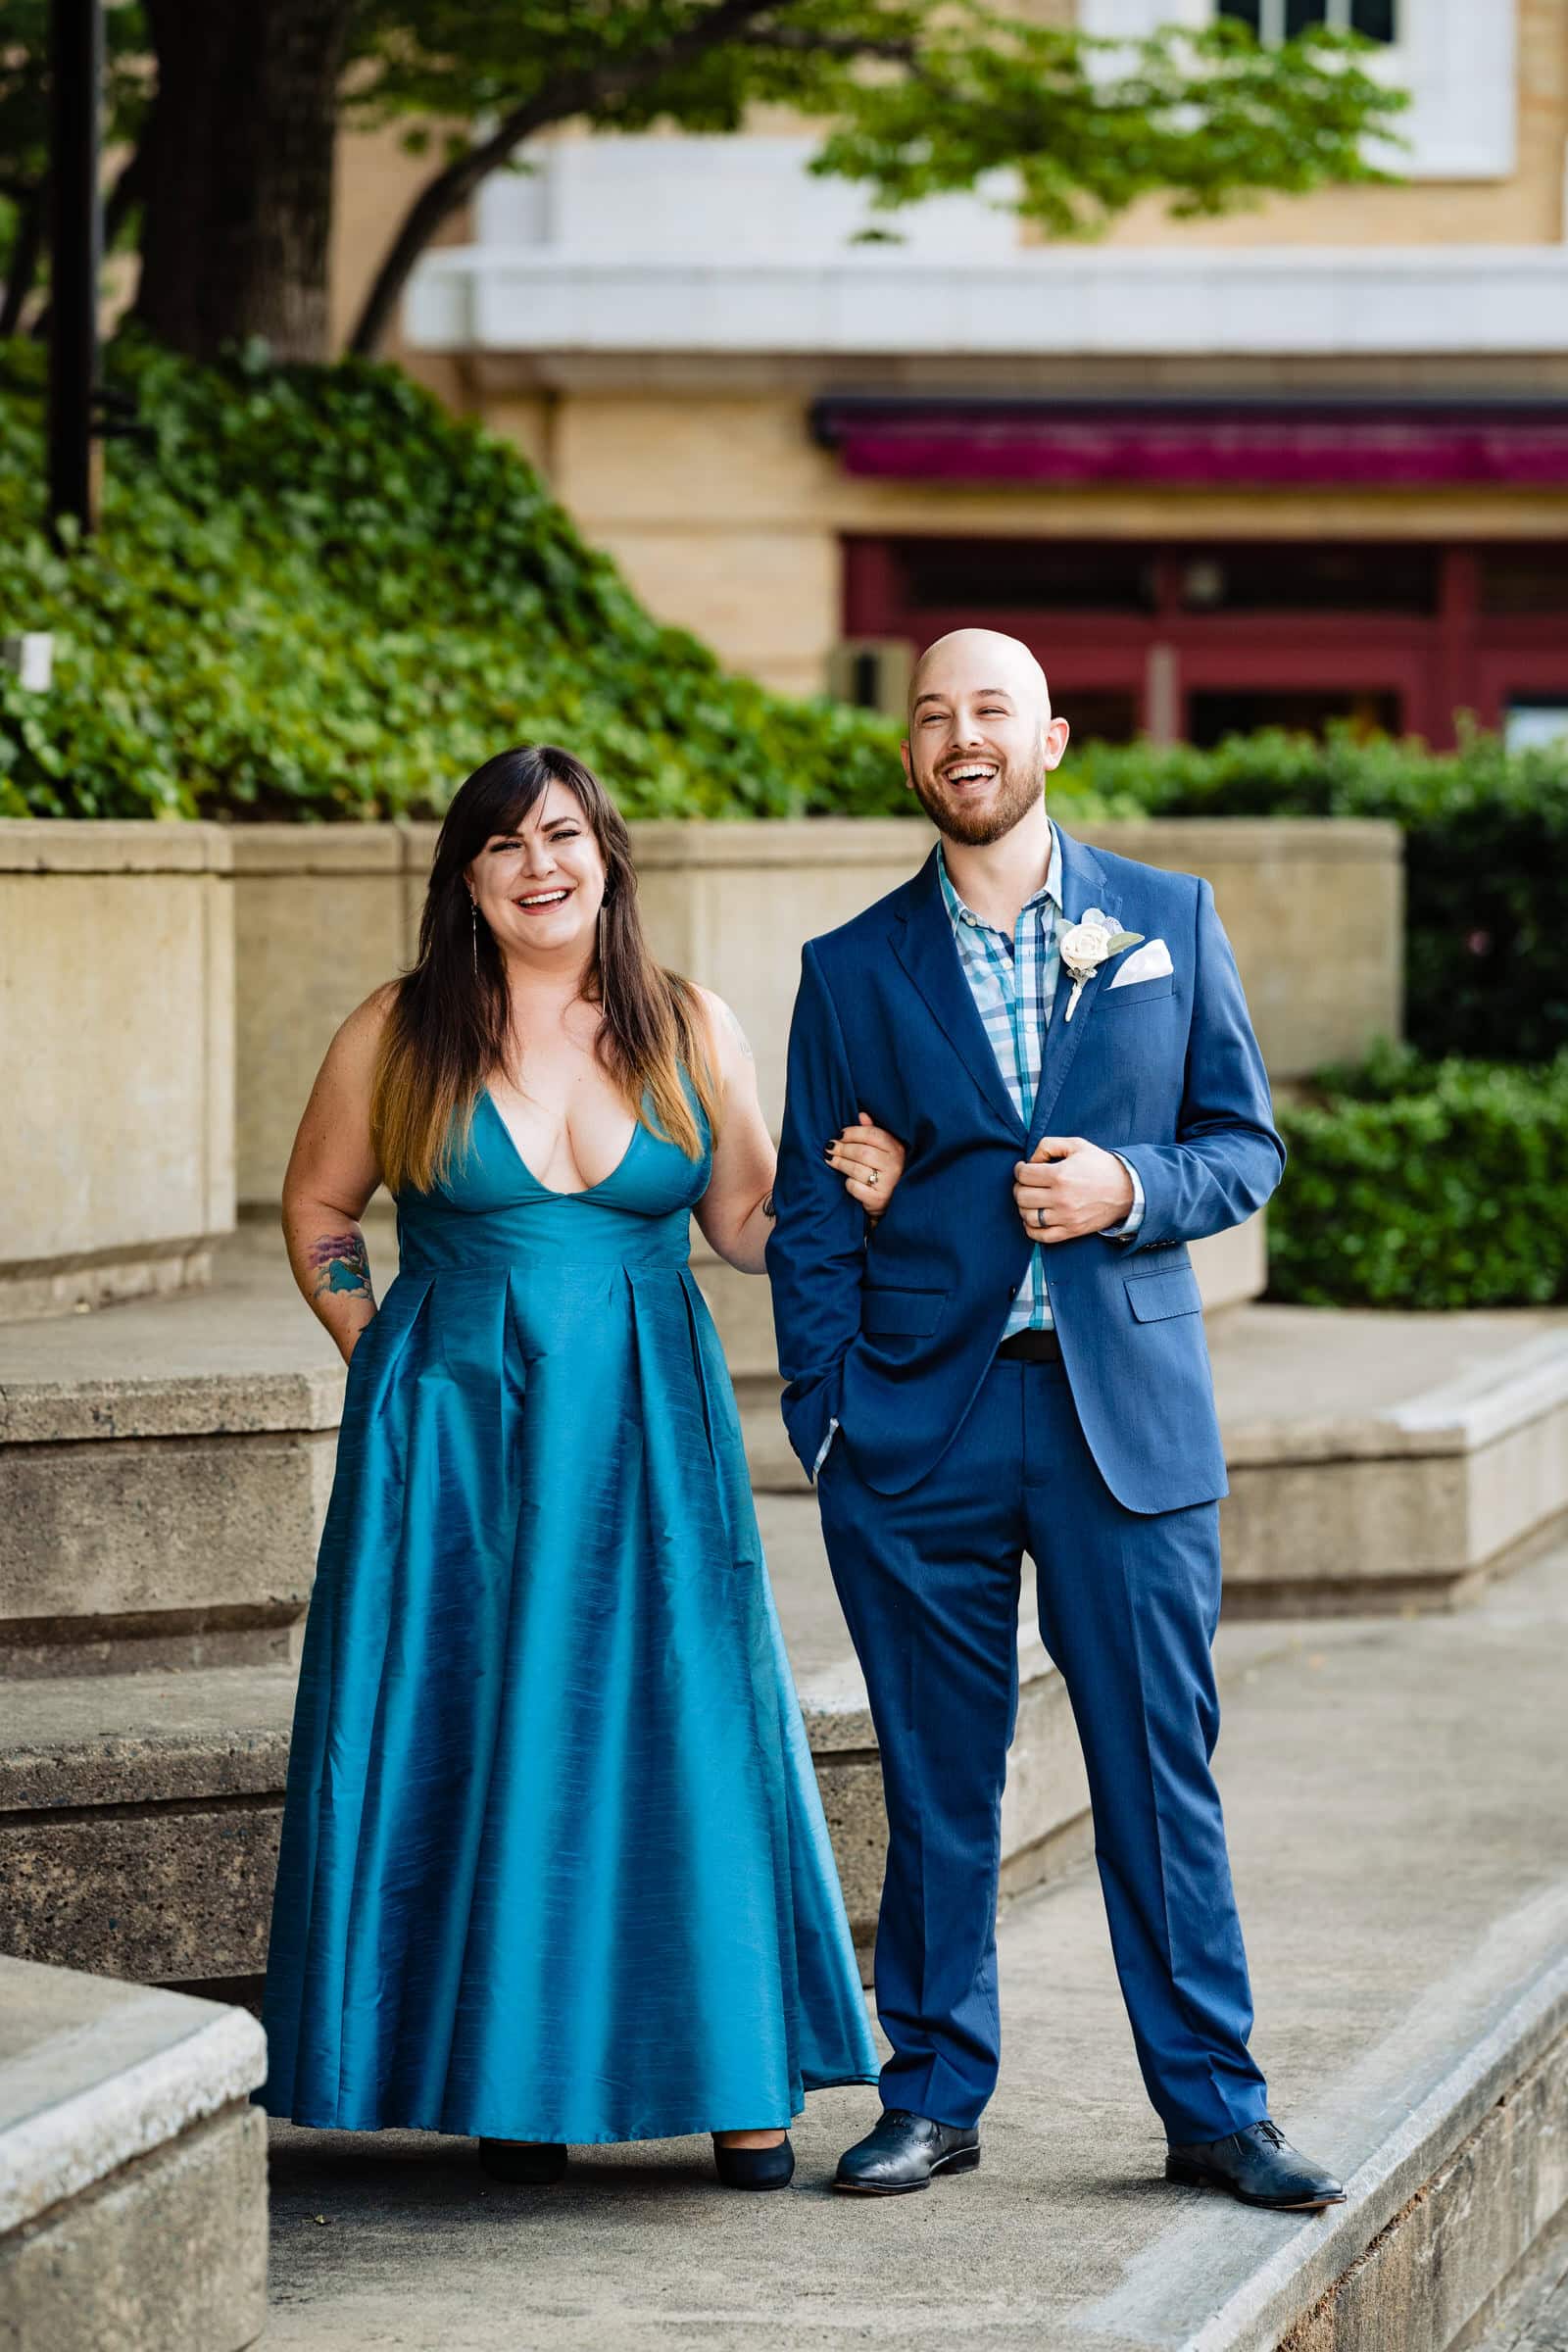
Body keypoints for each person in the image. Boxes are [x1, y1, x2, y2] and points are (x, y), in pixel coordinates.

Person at [258, 743, 906, 2191]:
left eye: (562, 836)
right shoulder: (399, 1028)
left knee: (686, 1720)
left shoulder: (687, 1024)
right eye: (504, 846)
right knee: (486, 1719)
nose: (539, 865)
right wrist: (377, 1349)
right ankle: (515, 2083)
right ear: (467, 881)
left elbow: (741, 1220)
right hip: (455, 1434)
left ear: (606, 854)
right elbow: (318, 1205)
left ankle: (742, 2084)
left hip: (647, 1424)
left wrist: (837, 1200)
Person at [766, 629, 1344, 2211]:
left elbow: (1245, 1143)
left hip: (1127, 1429)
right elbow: (816, 1212)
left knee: (1163, 1773)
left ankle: (1216, 2110)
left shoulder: (1166, 921)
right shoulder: (851, 967)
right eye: (936, 716)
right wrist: (828, 1418)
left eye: (993, 712)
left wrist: (1132, 1188)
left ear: (1054, 739)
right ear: (909, 757)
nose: (966, 737)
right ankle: (932, 2094)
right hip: (922, 1433)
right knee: (940, 1779)